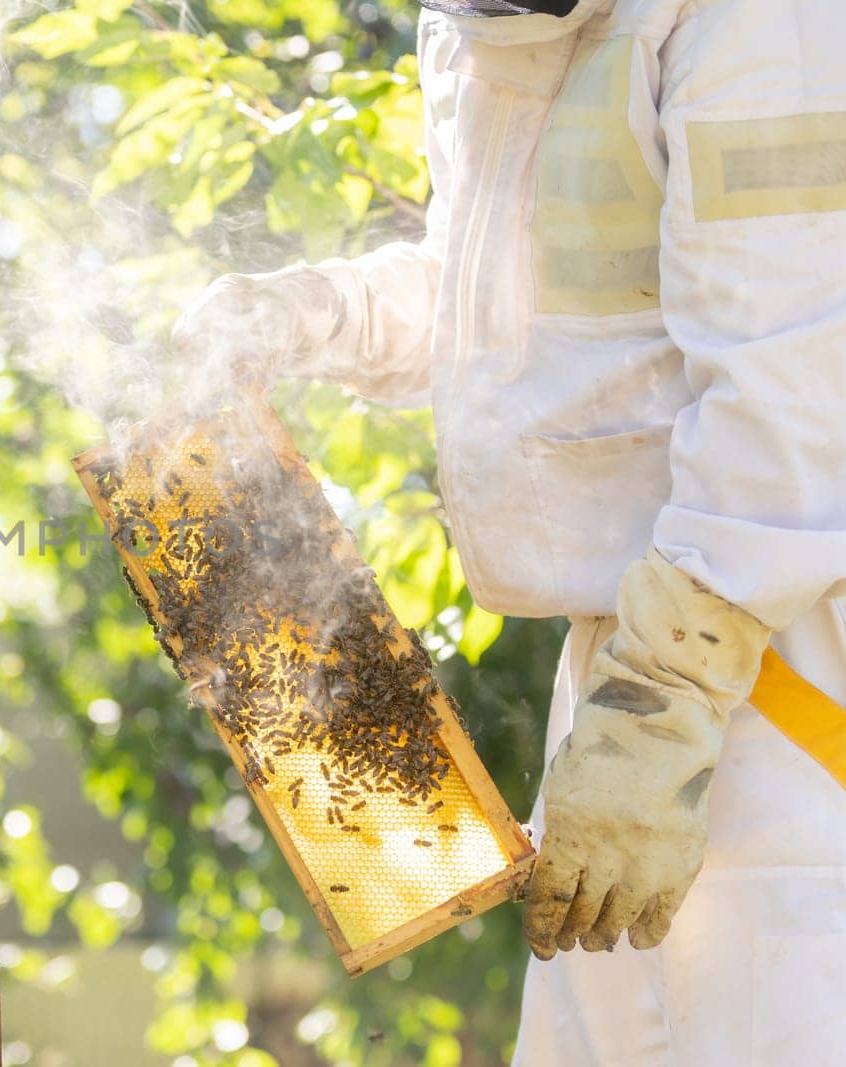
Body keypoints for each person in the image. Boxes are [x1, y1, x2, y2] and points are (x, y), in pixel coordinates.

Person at [171, 1, 846, 1063]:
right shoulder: (472, 30)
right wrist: (317, 314)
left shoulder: (765, 22)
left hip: (783, 665)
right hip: (632, 670)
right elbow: (497, 296)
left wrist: (663, 700)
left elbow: (800, 395)